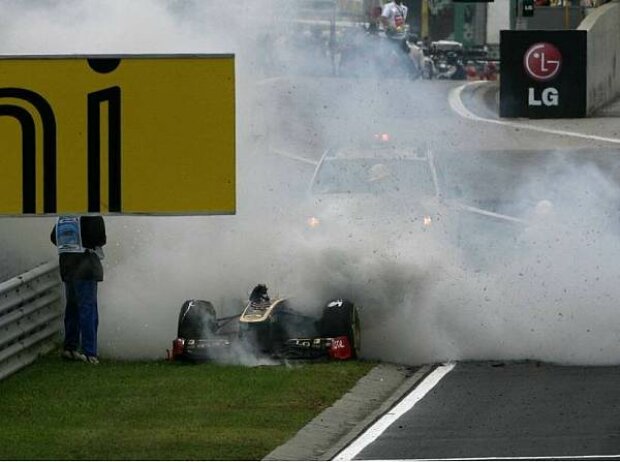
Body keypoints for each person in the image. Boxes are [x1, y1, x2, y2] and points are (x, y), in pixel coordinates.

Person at [51, 215, 106, 364]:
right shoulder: (92, 215)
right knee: (88, 309)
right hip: (86, 267)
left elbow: (54, 237)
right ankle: (90, 353)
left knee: (72, 308)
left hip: (67, 267)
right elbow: (100, 238)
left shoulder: (64, 216)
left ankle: (70, 348)